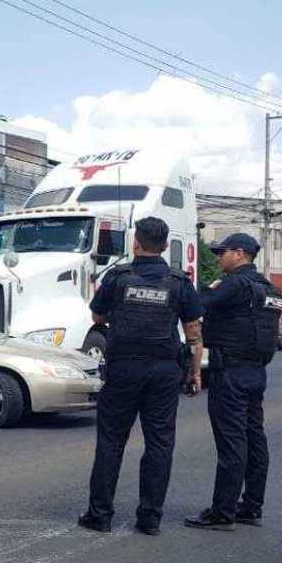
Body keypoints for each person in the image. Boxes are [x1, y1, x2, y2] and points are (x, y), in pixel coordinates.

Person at [77, 217, 204, 537]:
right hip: (163, 372)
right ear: (163, 245)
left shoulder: (118, 277)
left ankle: (100, 514)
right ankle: (150, 519)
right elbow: (193, 333)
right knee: (160, 444)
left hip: (123, 370)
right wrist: (194, 372)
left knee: (110, 442)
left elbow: (97, 315)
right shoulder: (179, 282)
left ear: (136, 242)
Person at [186, 233, 281, 531]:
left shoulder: (235, 285)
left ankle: (222, 511)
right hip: (256, 372)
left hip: (229, 373)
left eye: (222, 252)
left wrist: (208, 288)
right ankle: (251, 506)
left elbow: (198, 304)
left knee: (232, 441)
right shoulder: (269, 289)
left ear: (239, 254)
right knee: (254, 438)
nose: (218, 257)